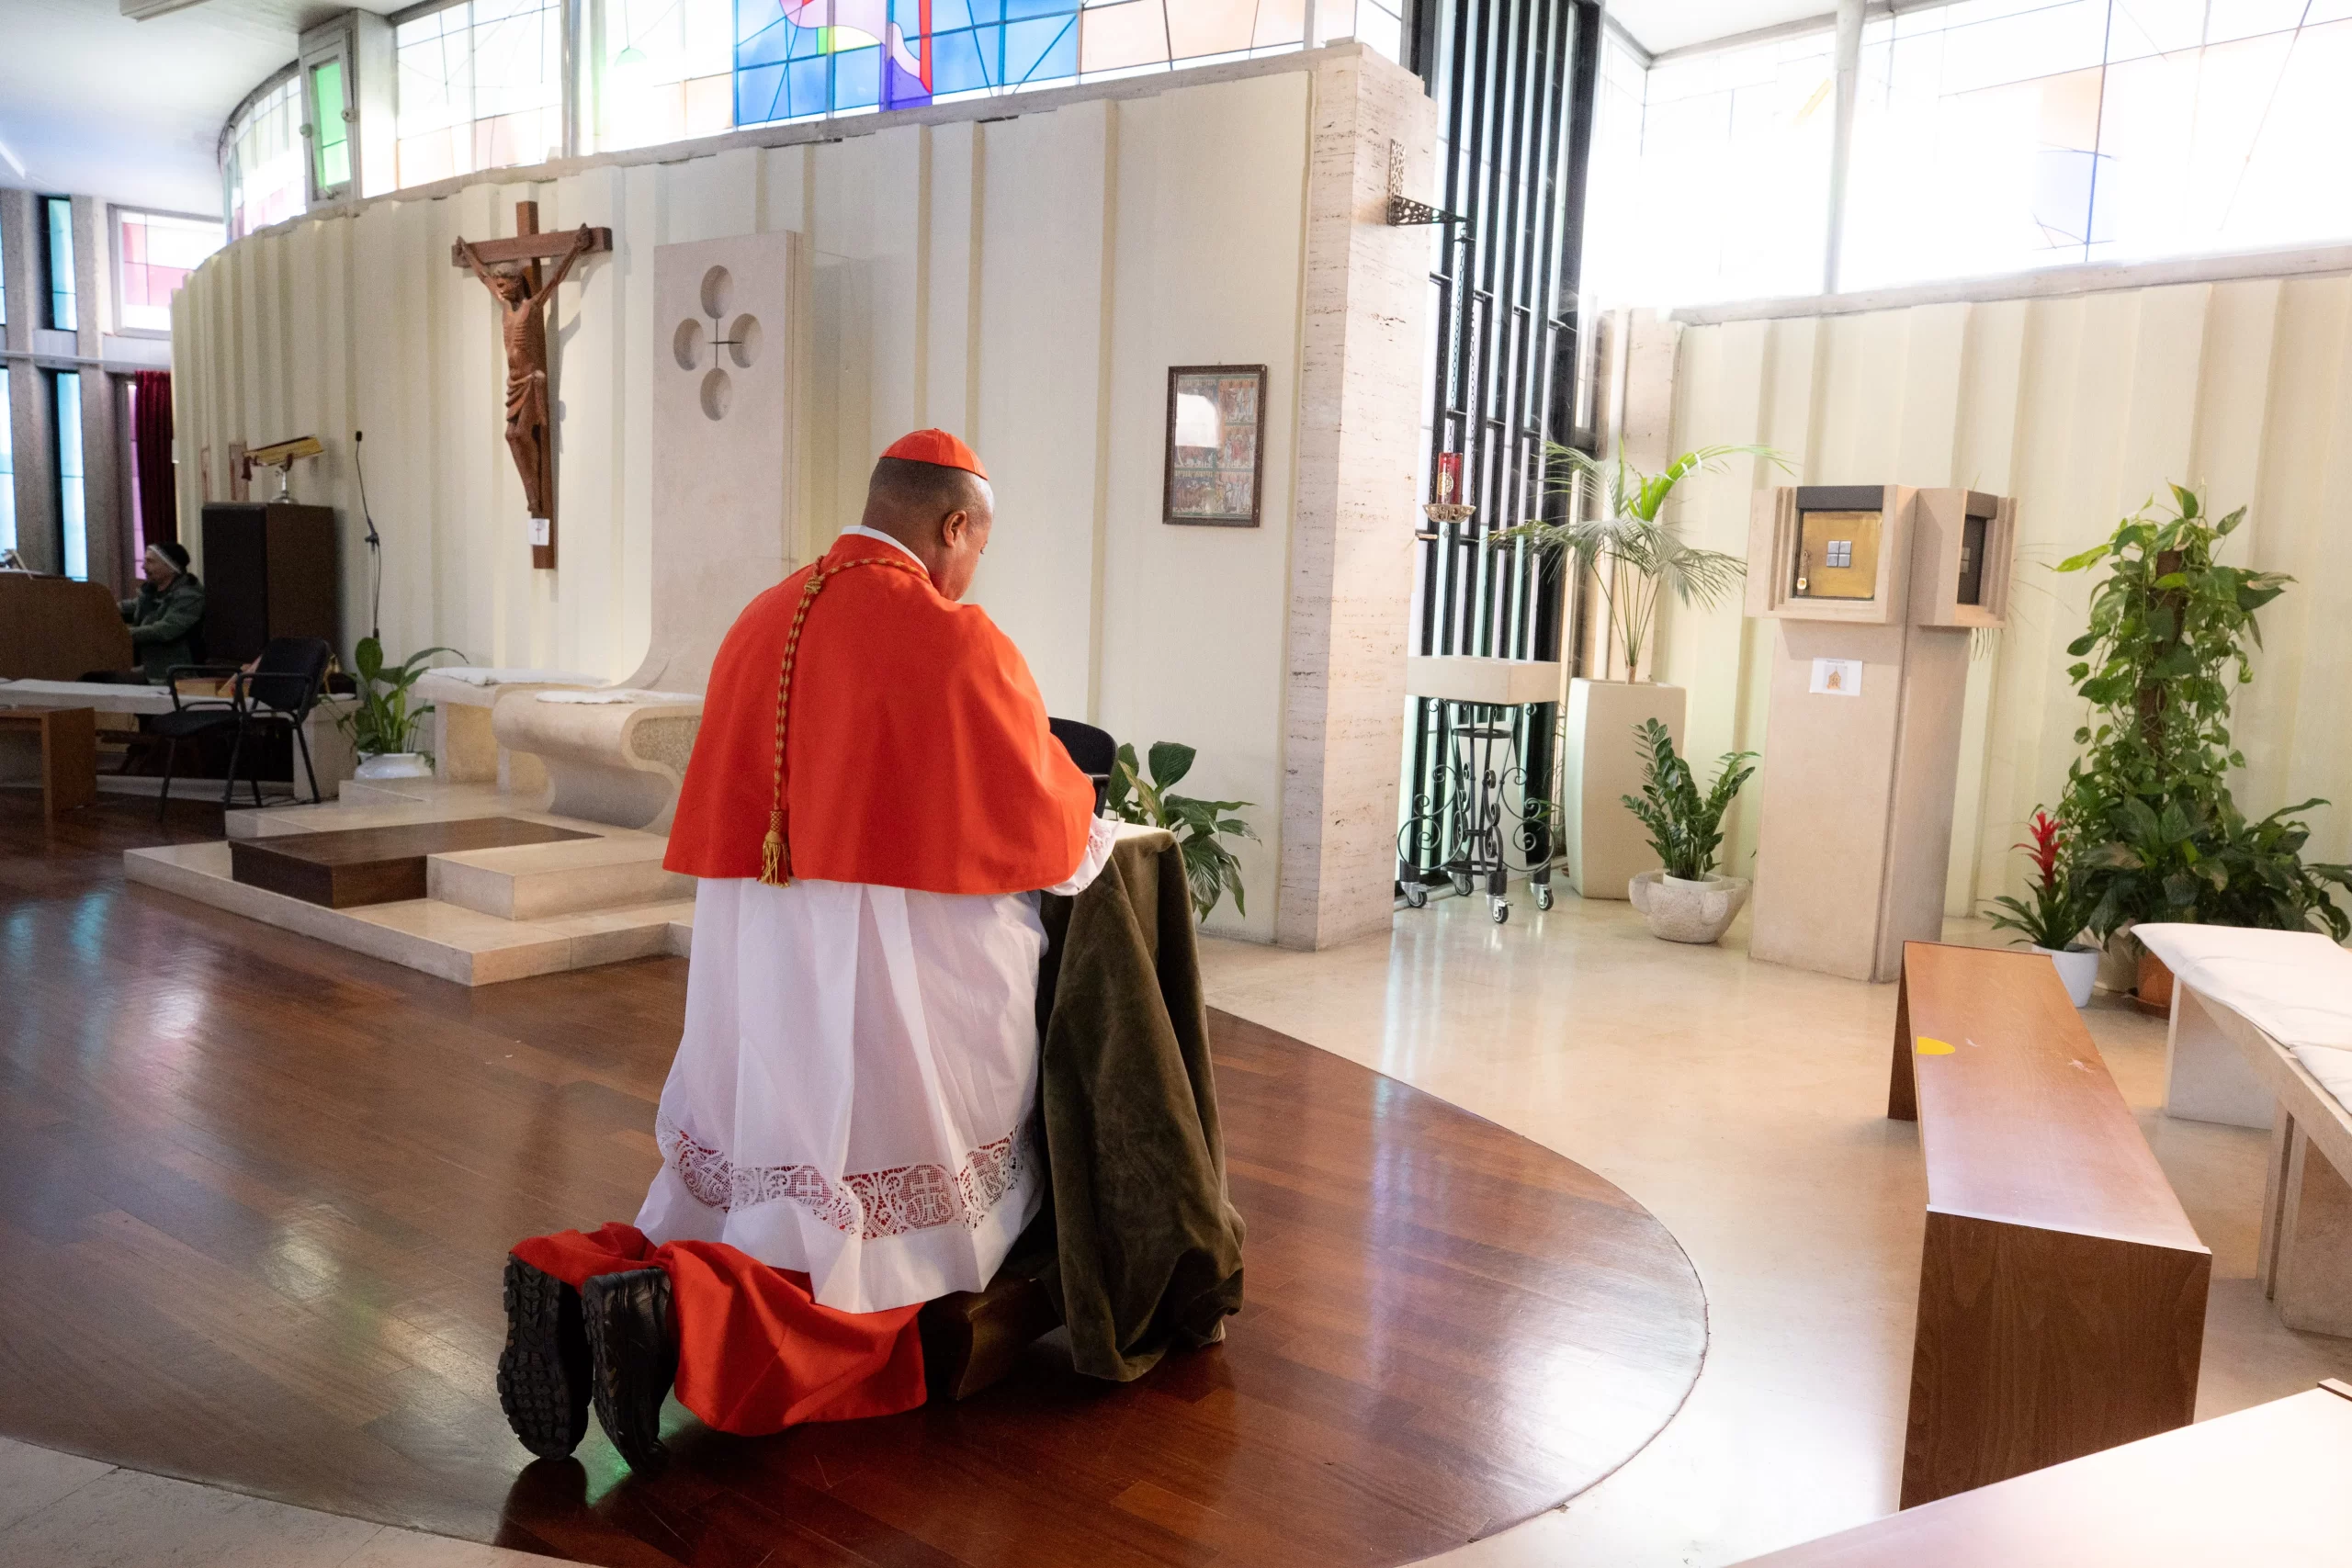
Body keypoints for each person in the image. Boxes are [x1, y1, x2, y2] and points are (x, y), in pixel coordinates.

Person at [500, 429, 1113, 1472]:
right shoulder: (951, 635)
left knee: (780, 1158)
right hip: (902, 966)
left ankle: (586, 1278)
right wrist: (1093, 818)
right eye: (976, 547)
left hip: (761, 953)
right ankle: (681, 1315)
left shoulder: (762, 616)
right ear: (953, 525)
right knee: (883, 1205)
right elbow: (1045, 819)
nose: (970, 573)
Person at [115, 543, 208, 683]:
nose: (143, 567)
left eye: (150, 561)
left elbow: (164, 630)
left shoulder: (189, 596)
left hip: (175, 676)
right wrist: (100, 607)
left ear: (170, 567)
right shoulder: (151, 592)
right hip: (149, 669)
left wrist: (122, 634)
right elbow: (129, 607)